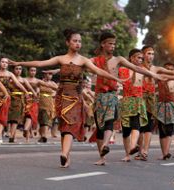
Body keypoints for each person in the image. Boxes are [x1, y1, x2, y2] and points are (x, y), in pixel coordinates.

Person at [9, 29, 123, 168]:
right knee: (63, 127)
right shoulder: (60, 59)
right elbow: (40, 63)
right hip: (61, 97)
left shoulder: (83, 60)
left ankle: (63, 153)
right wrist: (19, 63)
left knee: (69, 125)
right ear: (67, 42)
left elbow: (99, 71)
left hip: (75, 98)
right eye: (75, 41)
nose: (78, 43)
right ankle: (66, 157)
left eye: (80, 41)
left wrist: (116, 78)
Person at [91, 33, 164, 165]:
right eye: (110, 43)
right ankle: (102, 156)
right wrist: (57, 70)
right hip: (99, 98)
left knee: (109, 123)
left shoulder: (118, 59)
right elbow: (80, 65)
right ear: (102, 44)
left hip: (112, 97)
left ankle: (108, 145)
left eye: (114, 44)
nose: (113, 46)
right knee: (100, 128)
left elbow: (137, 68)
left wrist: (153, 75)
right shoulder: (95, 60)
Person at [0, 57, 29, 144]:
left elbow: (18, 84)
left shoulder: (10, 74)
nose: (4, 64)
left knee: (3, 115)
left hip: (6, 96)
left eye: (6, 62)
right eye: (3, 62)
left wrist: (25, 91)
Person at [8, 65, 37, 143]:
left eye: (20, 69)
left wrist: (34, 94)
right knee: (11, 119)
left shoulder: (23, 80)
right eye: (16, 69)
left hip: (19, 100)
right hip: (10, 99)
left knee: (15, 118)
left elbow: (30, 88)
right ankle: (13, 136)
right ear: (13, 70)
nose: (18, 70)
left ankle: (11, 135)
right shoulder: (10, 78)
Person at [38, 71, 58, 143]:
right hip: (40, 102)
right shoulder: (40, 82)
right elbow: (37, 90)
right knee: (41, 120)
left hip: (49, 103)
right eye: (48, 73)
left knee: (46, 120)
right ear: (44, 74)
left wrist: (53, 95)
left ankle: (44, 136)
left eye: (51, 74)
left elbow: (58, 91)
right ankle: (42, 135)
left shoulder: (53, 84)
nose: (49, 75)